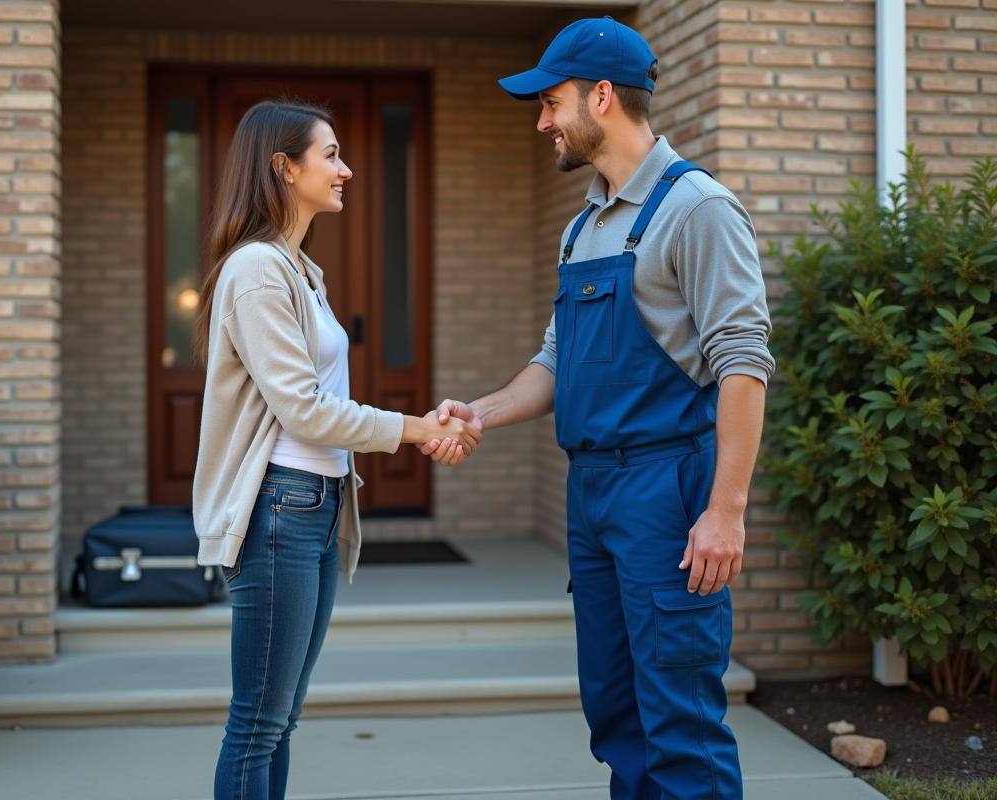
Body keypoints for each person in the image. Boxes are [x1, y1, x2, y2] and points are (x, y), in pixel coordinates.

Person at [422, 18, 774, 800]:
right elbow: (558, 359)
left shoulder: (697, 209)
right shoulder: (584, 226)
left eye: (552, 102)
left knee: (680, 723)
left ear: (602, 97)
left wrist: (727, 510)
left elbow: (744, 366)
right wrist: (479, 411)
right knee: (617, 717)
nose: (543, 121)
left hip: (665, 492)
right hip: (593, 493)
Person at [192, 100, 481, 800]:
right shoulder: (257, 270)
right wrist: (418, 429)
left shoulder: (301, 271)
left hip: (315, 506)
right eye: (330, 155)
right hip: (280, 510)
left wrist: (420, 423)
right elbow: (303, 409)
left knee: (281, 719)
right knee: (258, 723)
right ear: (284, 168)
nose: (346, 168)